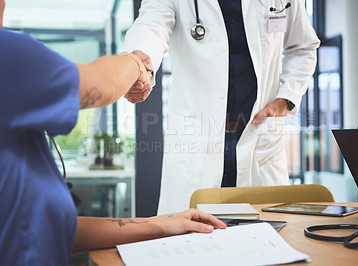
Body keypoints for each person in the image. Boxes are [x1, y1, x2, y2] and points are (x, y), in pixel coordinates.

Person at [0, 1, 226, 265]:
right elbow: (101, 83)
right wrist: (136, 63)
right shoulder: (8, 53)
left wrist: (161, 224)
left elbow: (55, 227)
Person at [124, 0, 320, 214]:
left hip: (260, 139)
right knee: (192, 240)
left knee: (264, 238)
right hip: (199, 143)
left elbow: (303, 47)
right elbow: (151, 26)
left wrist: (286, 99)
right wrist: (138, 65)